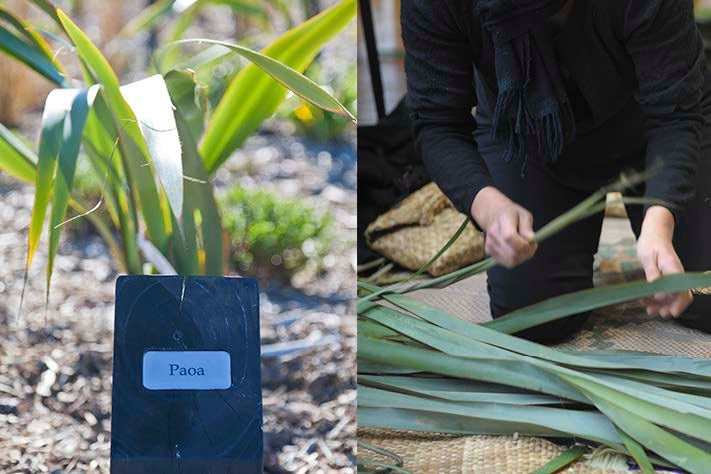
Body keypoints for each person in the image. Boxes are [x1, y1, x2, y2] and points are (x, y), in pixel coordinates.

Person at [401, 0, 711, 343]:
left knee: (702, 296)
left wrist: (660, 220)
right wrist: (490, 207)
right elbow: (437, 122)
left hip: (655, 126)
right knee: (533, 321)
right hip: (527, 135)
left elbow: (676, 114)